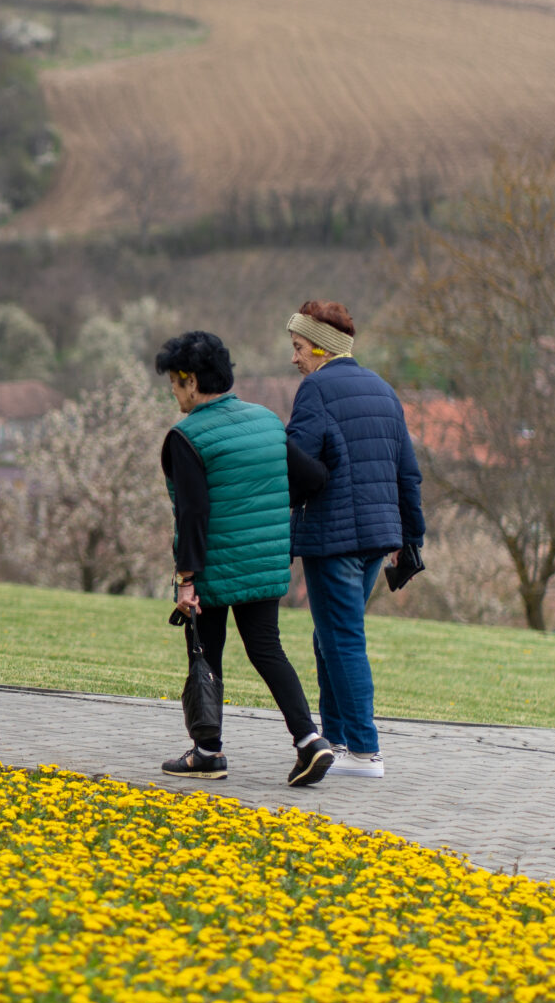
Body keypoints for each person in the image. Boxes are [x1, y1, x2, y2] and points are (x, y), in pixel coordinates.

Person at [152, 330, 336, 788]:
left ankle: (208, 752)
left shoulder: (187, 436)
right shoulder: (267, 422)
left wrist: (186, 579)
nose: (174, 394)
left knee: (206, 654)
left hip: (213, 565)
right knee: (267, 650)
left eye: (175, 385)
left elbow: (192, 514)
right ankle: (310, 741)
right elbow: (312, 478)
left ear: (191, 382)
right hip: (266, 560)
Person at [285, 300, 425, 780]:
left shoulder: (316, 389)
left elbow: (296, 464)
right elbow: (408, 473)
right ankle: (340, 740)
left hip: (333, 537)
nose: (295, 357)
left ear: (323, 347)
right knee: (330, 638)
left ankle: (365, 752)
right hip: (375, 540)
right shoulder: (385, 391)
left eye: (299, 346)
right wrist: (412, 537)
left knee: (341, 638)